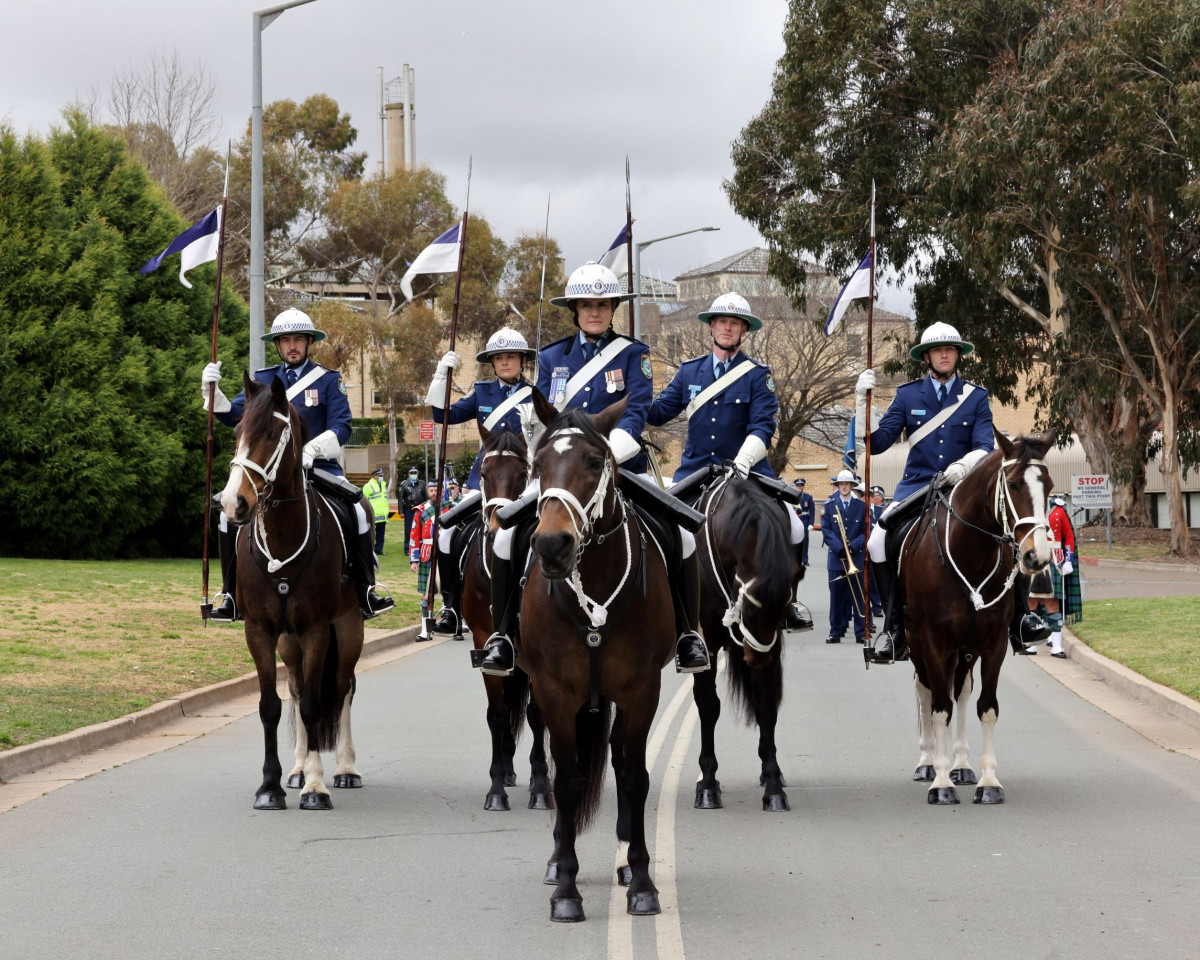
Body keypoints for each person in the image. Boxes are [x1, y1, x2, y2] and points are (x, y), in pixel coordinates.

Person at [478, 261, 709, 676]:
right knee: (504, 538)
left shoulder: (634, 355)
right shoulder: (552, 357)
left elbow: (636, 411)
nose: (595, 312)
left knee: (681, 536)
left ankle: (688, 633)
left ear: (613, 308)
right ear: (575, 310)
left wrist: (606, 460)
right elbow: (547, 418)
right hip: (563, 475)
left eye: (603, 305)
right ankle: (503, 638)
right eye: (587, 305)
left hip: (618, 465)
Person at [854, 322, 1048, 662]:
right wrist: (862, 403)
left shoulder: (975, 396)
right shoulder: (908, 395)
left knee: (1009, 535)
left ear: (958, 355)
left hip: (965, 485)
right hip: (918, 485)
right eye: (938, 350)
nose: (945, 354)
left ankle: (1020, 620)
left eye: (951, 349)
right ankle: (895, 627)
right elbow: (877, 443)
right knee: (875, 542)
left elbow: (984, 444)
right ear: (926, 356)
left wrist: (962, 468)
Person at [201, 308, 394, 622]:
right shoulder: (263, 380)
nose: (292, 345)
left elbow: (342, 426)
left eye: (298, 340)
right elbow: (235, 416)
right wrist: (213, 393)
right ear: (277, 345)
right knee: (227, 517)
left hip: (318, 468)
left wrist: (311, 450)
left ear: (308, 343)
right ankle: (231, 595)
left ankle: (366, 589)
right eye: (286, 340)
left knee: (359, 509)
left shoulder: (330, 380)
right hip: (269, 474)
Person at [646, 292, 810, 630]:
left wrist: (743, 460)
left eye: (734, 323)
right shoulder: (690, 372)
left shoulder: (757, 375)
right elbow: (660, 413)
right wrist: (631, 394)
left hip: (745, 472)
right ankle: (668, 603)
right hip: (695, 472)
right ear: (712, 326)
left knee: (794, 526)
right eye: (722, 321)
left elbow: (763, 426)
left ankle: (787, 600)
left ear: (743, 330)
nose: (727, 327)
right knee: (657, 527)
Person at [424, 326, 538, 636]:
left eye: (510, 357)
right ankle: (449, 605)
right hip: (484, 480)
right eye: (498, 358)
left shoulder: (536, 396)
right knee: (445, 531)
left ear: (522, 361)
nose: (504, 363)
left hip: (524, 482)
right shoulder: (482, 392)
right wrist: (441, 378)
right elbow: (442, 415)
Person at [1030, 495, 1083, 658]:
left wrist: (1068, 560)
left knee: (1052, 602)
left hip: (1054, 559)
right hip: (1031, 558)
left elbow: (1068, 537)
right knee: (1031, 602)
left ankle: (1057, 645)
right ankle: (1031, 643)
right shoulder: (1028, 507)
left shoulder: (1058, 509)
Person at [822, 469, 868, 643]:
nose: (844, 486)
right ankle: (836, 631)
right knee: (837, 597)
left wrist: (853, 547)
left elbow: (865, 531)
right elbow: (826, 530)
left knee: (858, 596)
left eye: (847, 484)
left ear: (852, 486)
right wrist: (840, 548)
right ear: (838, 486)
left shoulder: (861, 506)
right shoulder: (829, 505)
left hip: (855, 557)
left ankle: (860, 632)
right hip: (836, 558)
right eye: (841, 484)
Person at [409, 481, 443, 639]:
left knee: (448, 592)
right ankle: (425, 629)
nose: (434, 493)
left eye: (437, 490)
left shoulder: (451, 508)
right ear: (427, 492)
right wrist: (414, 560)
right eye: (431, 490)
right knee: (426, 595)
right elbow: (414, 536)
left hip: (447, 554)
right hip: (427, 555)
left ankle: (451, 623)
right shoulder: (421, 511)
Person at [867, 485, 886, 617]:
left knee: (877, 578)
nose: (872, 498)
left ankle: (878, 605)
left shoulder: (883, 510)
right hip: (864, 548)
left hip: (878, 549)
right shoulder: (864, 509)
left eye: (874, 496)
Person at [363, 468, 390, 556]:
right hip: (372, 514)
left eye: (382, 475)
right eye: (380, 475)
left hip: (382, 514)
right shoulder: (368, 486)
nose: (382, 477)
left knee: (381, 533)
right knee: (370, 533)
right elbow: (364, 500)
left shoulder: (383, 485)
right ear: (375, 476)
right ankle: (369, 549)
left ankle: (379, 549)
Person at [399, 467, 425, 548]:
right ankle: (407, 547)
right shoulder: (404, 484)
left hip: (419, 509)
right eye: (411, 473)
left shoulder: (422, 484)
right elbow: (400, 499)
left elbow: (426, 497)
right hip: (408, 510)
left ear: (418, 473)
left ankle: (419, 546)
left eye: (415, 473)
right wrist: (401, 511)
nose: (413, 475)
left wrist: (425, 508)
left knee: (420, 528)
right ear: (408, 474)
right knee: (408, 529)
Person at [794, 478, 815, 567]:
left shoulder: (808, 497)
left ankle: (805, 559)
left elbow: (812, 511)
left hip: (805, 520)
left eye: (801, 485)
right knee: (795, 540)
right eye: (798, 485)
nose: (799, 487)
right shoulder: (792, 496)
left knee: (805, 541)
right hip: (795, 520)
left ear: (803, 486)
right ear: (795, 486)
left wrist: (811, 523)